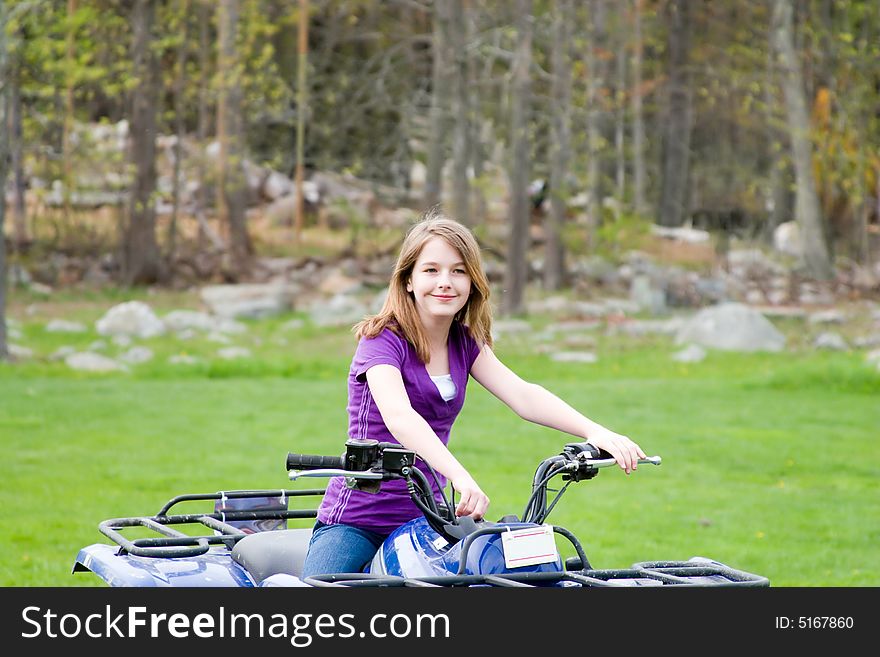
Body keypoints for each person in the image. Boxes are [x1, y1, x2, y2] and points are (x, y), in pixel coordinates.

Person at [300, 208, 646, 577]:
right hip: (360, 519)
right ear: (408, 281)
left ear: (472, 282)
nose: (445, 282)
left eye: (458, 270)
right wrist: (460, 476)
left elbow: (524, 395)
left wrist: (596, 432)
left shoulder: (464, 343)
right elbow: (400, 416)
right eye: (431, 270)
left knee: (503, 575)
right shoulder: (383, 340)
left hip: (428, 519)